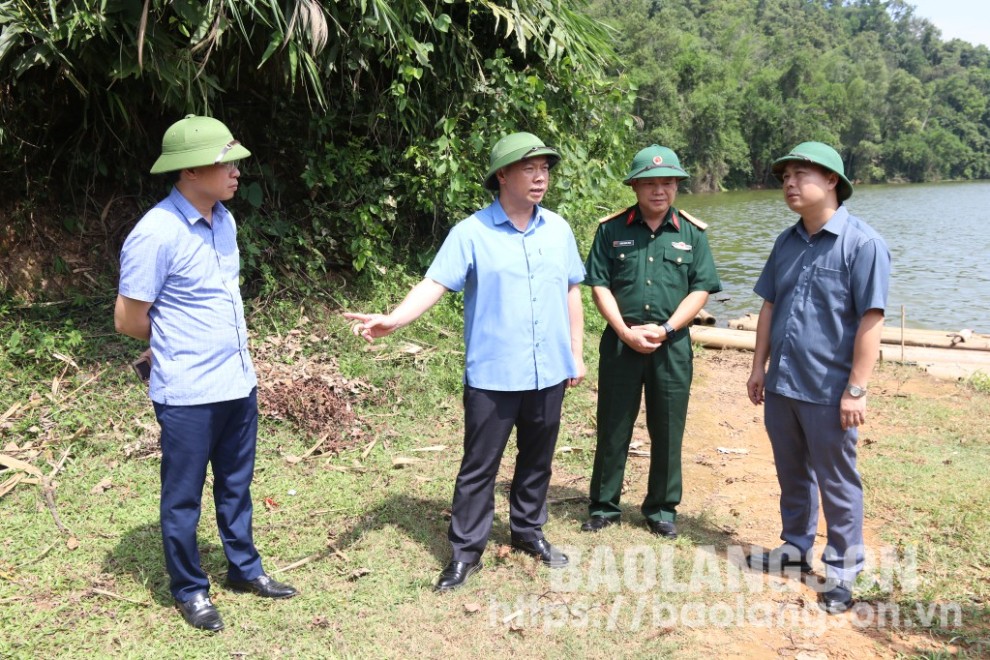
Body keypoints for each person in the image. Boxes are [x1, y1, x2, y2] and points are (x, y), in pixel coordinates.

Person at [344, 132, 585, 591]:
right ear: (503, 176)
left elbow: (572, 289)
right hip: (494, 374)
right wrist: (394, 320)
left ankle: (528, 533)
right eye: (529, 168)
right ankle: (465, 553)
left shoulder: (558, 229)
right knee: (479, 466)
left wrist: (576, 354)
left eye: (545, 169)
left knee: (538, 460)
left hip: (548, 370)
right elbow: (435, 283)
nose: (540, 177)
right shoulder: (472, 232)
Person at [114, 115, 297, 632]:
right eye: (225, 160)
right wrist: (176, 344)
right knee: (183, 496)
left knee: (236, 486)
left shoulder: (224, 220)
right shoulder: (155, 233)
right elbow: (128, 319)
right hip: (189, 390)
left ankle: (245, 570)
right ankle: (190, 590)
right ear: (190, 170)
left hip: (238, 382)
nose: (237, 170)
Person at [746, 141, 891, 614]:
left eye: (801, 174)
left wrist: (856, 389)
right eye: (785, 176)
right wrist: (757, 366)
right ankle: (793, 548)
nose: (789, 183)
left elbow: (871, 320)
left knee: (838, 483)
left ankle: (844, 572)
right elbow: (770, 304)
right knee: (792, 473)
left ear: (832, 181)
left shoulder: (862, 244)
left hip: (830, 392)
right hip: (783, 384)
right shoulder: (786, 242)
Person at [581, 145, 722, 539]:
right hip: (620, 342)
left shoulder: (692, 233)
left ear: (676, 186)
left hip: (672, 345)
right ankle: (604, 506)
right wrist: (625, 331)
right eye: (649, 183)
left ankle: (661, 508)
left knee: (668, 426)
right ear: (635, 187)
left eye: (667, 183)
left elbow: (700, 290)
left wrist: (668, 329)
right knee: (613, 425)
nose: (658, 190)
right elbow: (600, 285)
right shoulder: (611, 230)